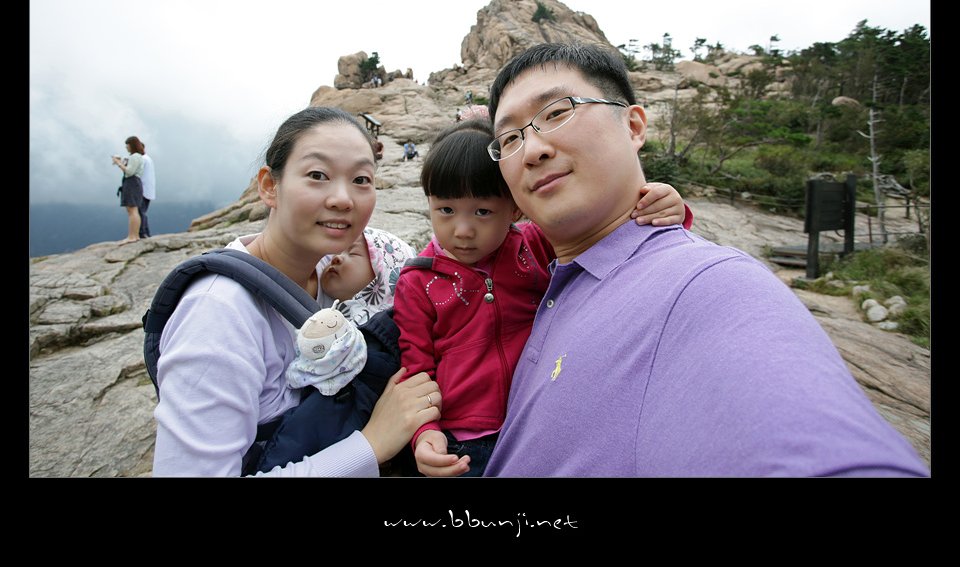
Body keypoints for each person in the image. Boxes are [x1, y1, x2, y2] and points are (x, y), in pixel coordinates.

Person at [481, 42, 930, 477]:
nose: (533, 150)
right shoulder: (545, 276)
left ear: (633, 127)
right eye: (510, 138)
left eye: (556, 112)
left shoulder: (706, 286)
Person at [151, 107, 442, 477]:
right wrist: (372, 444)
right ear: (269, 186)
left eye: (361, 179)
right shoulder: (217, 313)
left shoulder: (335, 273)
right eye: (317, 175)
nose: (343, 199)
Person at [394, 118, 691, 477]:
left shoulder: (535, 244)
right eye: (446, 210)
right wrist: (425, 432)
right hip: (463, 442)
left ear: (515, 208)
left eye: (483, 211)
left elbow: (611, 233)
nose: (463, 230)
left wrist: (664, 206)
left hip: (544, 422)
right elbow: (416, 367)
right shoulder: (418, 281)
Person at [112, 136, 145, 244]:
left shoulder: (135, 156)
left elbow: (129, 172)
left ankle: (132, 236)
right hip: (135, 183)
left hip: (132, 183)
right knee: (134, 210)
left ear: (132, 145)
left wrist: (118, 163)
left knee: (132, 210)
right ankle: (135, 235)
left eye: (127, 144)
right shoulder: (138, 156)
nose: (126, 147)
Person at [139, 145, 155, 238]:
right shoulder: (148, 159)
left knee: (140, 212)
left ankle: (143, 232)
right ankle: (146, 232)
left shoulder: (142, 159)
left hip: (142, 189)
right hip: (148, 189)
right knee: (142, 212)